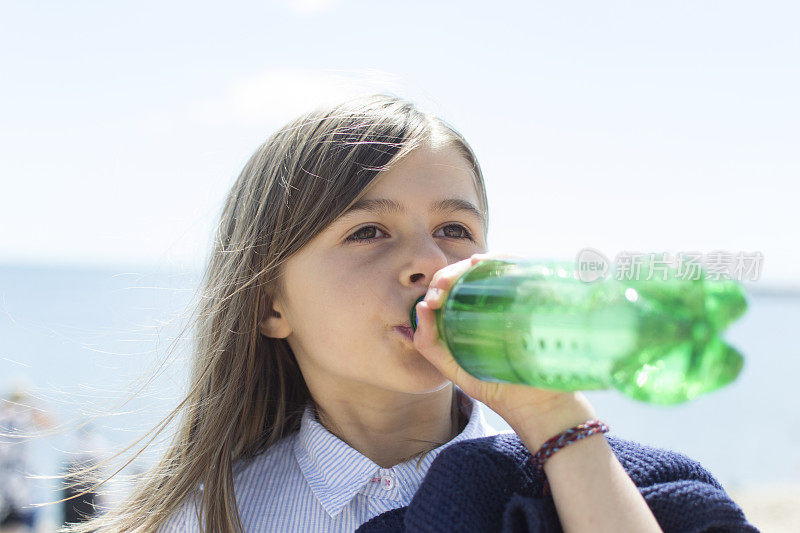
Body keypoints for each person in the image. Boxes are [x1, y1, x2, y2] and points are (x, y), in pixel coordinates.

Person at [62, 93, 757, 532]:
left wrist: (555, 418)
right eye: (369, 231)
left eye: (456, 230)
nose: (430, 262)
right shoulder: (207, 516)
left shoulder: (586, 473)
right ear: (271, 303)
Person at [1, 382, 55, 533]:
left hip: (18, 489)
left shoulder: (17, 414)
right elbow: (51, 426)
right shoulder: (17, 414)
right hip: (16, 491)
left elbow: (50, 425)